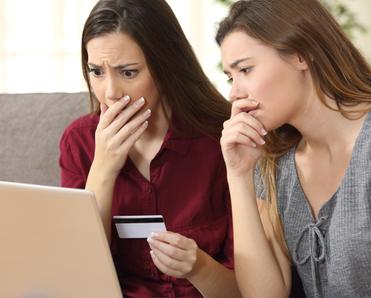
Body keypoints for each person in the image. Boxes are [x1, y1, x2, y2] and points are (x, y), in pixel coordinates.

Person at [59, 0, 241, 297]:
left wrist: (199, 267)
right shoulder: (79, 142)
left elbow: (250, 291)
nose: (110, 92)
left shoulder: (222, 140)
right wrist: (103, 171)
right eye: (96, 71)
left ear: (165, 66)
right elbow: (76, 279)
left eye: (128, 72)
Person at [216, 0, 371, 297]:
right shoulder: (275, 164)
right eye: (230, 77)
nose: (234, 93)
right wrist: (239, 176)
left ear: (302, 54)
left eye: (245, 69)